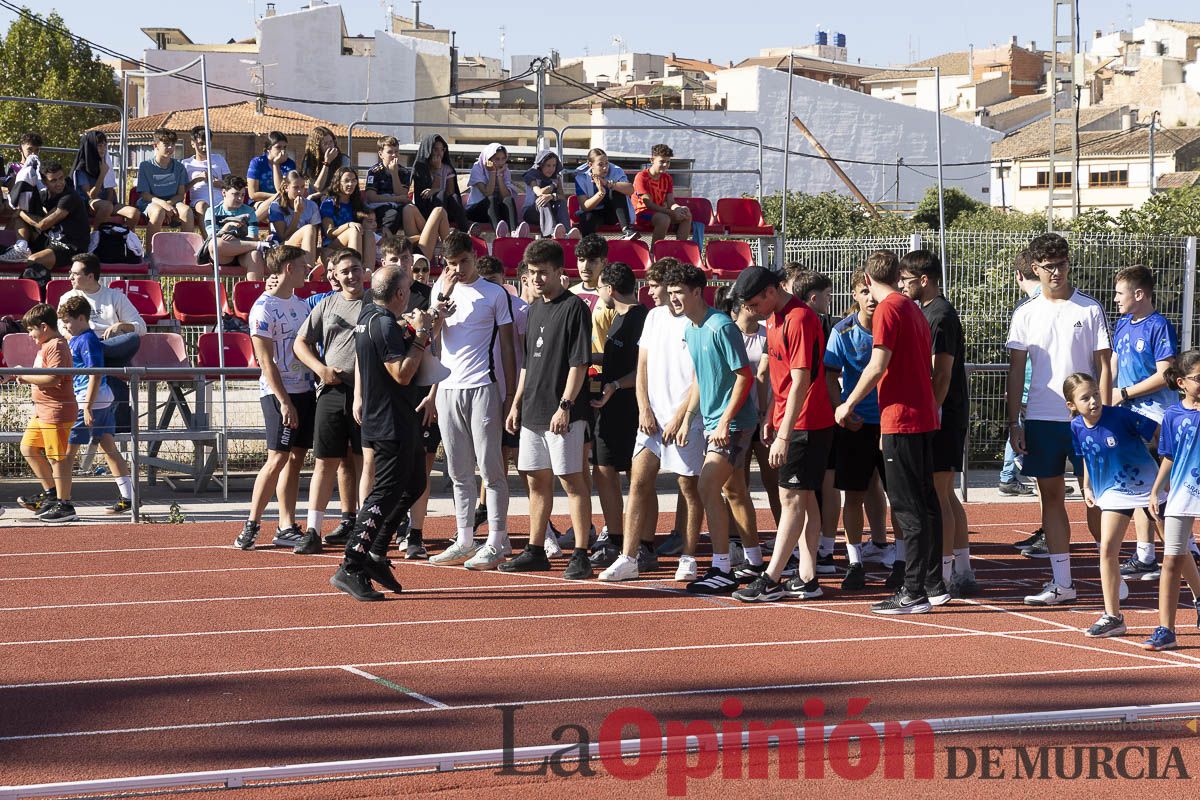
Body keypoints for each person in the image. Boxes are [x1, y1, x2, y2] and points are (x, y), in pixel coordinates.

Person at [835, 250, 946, 614]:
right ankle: (932, 583)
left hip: (902, 418)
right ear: (898, 275)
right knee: (926, 503)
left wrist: (848, 403)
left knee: (908, 507)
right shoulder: (913, 307)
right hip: (921, 415)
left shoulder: (888, 309)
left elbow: (877, 365)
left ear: (867, 280)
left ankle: (913, 591)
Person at [1007, 232, 1110, 605]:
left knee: (1096, 497)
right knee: (1050, 498)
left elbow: (1104, 366)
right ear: (1035, 268)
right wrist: (1013, 423)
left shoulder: (1089, 308)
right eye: (1049, 266)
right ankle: (1062, 583)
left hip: (1087, 420)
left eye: (1062, 264)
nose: (1057, 272)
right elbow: (1016, 370)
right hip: (1041, 419)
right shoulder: (1025, 313)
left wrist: (1104, 413)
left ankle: (1110, 577)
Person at [329, 265, 434, 601]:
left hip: (394, 417)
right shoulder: (384, 323)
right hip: (390, 421)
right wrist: (421, 336)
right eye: (409, 289)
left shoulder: (370, 315)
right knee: (384, 494)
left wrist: (423, 324)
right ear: (400, 293)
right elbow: (402, 373)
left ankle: (375, 552)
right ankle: (351, 565)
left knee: (414, 483)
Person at [731, 267, 835, 602]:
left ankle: (771, 577)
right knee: (804, 498)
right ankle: (807, 577)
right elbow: (781, 379)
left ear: (771, 292)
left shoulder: (799, 318)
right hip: (793, 421)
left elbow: (801, 381)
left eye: (753, 304)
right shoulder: (775, 318)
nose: (751, 311)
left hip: (807, 423)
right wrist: (770, 417)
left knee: (791, 499)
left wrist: (784, 435)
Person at [501, 239, 594, 579]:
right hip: (533, 411)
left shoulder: (575, 308)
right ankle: (535, 549)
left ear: (558, 272)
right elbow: (527, 363)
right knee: (535, 481)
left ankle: (581, 552)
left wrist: (565, 406)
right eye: (531, 273)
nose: (536, 279)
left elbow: (579, 363)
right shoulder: (535, 309)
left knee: (571, 480)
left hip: (562, 413)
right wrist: (516, 403)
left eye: (543, 272)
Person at [425, 231, 517, 570]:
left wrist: (510, 395)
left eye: (463, 261)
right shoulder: (440, 289)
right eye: (451, 264)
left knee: (491, 469)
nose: (458, 269)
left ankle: (497, 540)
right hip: (449, 389)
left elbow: (507, 346)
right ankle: (464, 539)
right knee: (458, 470)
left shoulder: (494, 293)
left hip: (483, 386)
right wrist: (441, 300)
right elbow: (431, 339)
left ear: (474, 257)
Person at [668, 264, 759, 594]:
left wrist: (723, 421)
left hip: (733, 424)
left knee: (707, 487)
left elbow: (744, 376)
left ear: (697, 292)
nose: (672, 298)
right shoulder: (691, 330)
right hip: (713, 423)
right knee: (734, 491)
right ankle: (754, 560)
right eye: (670, 292)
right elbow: (699, 378)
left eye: (679, 292)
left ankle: (722, 568)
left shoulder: (721, 327)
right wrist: (687, 417)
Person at [899, 250, 974, 597]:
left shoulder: (939, 315)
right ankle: (963, 569)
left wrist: (930, 413)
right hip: (942, 414)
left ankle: (941, 576)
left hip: (943, 416)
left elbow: (940, 374)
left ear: (924, 280)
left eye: (906, 280)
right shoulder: (926, 312)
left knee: (939, 495)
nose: (902, 286)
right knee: (946, 495)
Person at [1064, 372, 1158, 636]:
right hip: (1114, 491)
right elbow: (1085, 456)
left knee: (1177, 552)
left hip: (1149, 487)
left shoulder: (1121, 416)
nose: (1093, 401)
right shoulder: (1076, 426)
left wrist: (1166, 474)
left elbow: (1159, 433)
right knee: (1107, 550)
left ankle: (1198, 597)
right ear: (1072, 405)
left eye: (1095, 394)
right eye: (1085, 398)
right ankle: (1113, 616)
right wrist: (1087, 486)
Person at [234, 246, 315, 551]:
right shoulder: (263, 308)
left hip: (305, 389)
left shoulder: (302, 305)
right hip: (278, 392)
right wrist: (284, 401)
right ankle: (251, 524)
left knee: (296, 458)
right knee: (277, 457)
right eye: (302, 265)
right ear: (288, 269)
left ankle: (286, 525)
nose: (307, 270)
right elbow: (265, 361)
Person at [291, 248, 367, 555]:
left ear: (364, 270)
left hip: (367, 394)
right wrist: (320, 369)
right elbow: (300, 342)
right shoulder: (327, 304)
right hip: (332, 392)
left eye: (356, 269)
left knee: (365, 461)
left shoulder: (376, 304)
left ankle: (365, 530)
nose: (351, 276)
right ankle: (313, 530)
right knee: (325, 461)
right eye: (344, 271)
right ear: (334, 275)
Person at [824, 270, 896, 591]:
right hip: (857, 424)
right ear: (854, 295)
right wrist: (842, 408)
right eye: (863, 292)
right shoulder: (842, 331)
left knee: (898, 497)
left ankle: (901, 560)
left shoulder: (892, 325)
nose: (870, 298)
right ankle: (854, 562)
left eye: (873, 291)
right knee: (853, 496)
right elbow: (830, 376)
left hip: (892, 423)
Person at [373, 236, 440, 559]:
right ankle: (379, 533)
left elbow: (438, 346)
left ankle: (414, 532)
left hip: (422, 390)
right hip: (388, 399)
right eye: (394, 259)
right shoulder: (375, 304)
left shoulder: (429, 295)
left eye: (405, 258)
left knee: (420, 468)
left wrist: (434, 394)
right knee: (384, 471)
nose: (401, 264)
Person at [1112, 265, 1179, 581]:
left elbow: (1165, 375)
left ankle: (1180, 552)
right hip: (1127, 415)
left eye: (1120, 293)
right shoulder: (1122, 324)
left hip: (1154, 416)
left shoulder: (1159, 325)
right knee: (1139, 486)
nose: (1115, 299)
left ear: (1139, 294)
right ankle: (1146, 555)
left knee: (1158, 489)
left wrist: (1124, 392)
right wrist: (1105, 398)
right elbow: (1113, 366)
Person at [585, 262, 649, 574]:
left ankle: (645, 544)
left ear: (610, 289)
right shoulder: (617, 318)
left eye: (599, 288)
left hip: (633, 408)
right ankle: (616, 537)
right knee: (603, 468)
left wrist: (615, 385)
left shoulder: (642, 318)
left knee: (639, 477)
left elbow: (646, 369)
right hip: (609, 408)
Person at [57, 296, 134, 514]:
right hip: (97, 400)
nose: (65, 326)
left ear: (82, 318)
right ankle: (129, 497)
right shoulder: (77, 338)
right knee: (109, 448)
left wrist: (87, 407)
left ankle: (62, 502)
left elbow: (95, 374)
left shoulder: (87, 340)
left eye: (68, 321)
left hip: (89, 401)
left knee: (66, 454)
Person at [1147, 350, 1200, 650]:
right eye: (1199, 378)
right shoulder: (1172, 415)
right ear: (1181, 383)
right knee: (1171, 559)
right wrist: (1156, 489)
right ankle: (1166, 628)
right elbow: (1168, 455)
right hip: (1182, 492)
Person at [56, 253, 146, 432]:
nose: (70, 277)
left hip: (109, 347)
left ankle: (98, 358)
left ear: (90, 276)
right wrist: (81, 341)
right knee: (113, 380)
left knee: (132, 338)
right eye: (70, 273)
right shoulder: (68, 297)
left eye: (75, 274)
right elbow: (61, 327)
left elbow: (141, 328)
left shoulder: (115, 297)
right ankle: (97, 357)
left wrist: (122, 325)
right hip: (83, 346)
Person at [792, 268, 839, 575]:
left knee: (822, 484)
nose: (830, 300)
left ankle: (824, 549)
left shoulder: (829, 325)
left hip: (821, 414)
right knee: (803, 492)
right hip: (804, 416)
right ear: (812, 297)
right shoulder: (796, 322)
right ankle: (808, 555)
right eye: (827, 295)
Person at [15, 304, 78, 523]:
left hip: (56, 411)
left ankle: (65, 504)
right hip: (43, 410)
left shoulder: (56, 345)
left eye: (31, 330)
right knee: (28, 447)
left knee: (57, 458)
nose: (30, 335)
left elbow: (53, 378)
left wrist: (24, 376)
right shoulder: (47, 345)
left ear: (43, 327)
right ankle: (52, 494)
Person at [999, 250, 1039, 497]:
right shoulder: (1030, 306)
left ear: (1018, 276)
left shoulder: (1025, 306)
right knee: (1024, 429)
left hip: (1029, 384)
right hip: (1033, 385)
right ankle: (1024, 471)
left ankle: (1010, 475)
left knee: (1020, 428)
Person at [11, 161, 91, 274]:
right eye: (53, 180)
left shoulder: (69, 197)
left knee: (35, 260)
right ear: (45, 182)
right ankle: (21, 247)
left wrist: (20, 212)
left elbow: (42, 225)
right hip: (51, 240)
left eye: (61, 178)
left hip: (71, 246)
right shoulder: (44, 196)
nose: (59, 183)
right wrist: (19, 211)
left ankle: (31, 286)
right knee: (20, 219)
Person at [136, 129, 194, 244]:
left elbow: (180, 194)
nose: (170, 148)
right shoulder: (145, 166)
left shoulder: (179, 167)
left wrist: (168, 204)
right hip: (150, 203)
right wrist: (163, 205)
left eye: (173, 144)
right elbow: (145, 195)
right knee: (158, 212)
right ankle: (150, 252)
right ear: (155, 145)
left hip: (172, 203)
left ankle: (185, 250)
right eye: (166, 144)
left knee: (187, 211)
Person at [202, 176, 265, 280]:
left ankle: (254, 289)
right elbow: (213, 236)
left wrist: (236, 240)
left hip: (243, 254)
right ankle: (261, 245)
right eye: (236, 194)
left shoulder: (249, 211)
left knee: (255, 255)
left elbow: (253, 237)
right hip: (222, 256)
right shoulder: (211, 211)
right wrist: (227, 226)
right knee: (215, 244)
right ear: (224, 193)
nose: (240, 198)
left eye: (242, 195)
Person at [71, 131, 136, 227]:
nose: (103, 149)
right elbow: (91, 195)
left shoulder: (105, 162)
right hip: (87, 204)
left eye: (105, 145)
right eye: (99, 146)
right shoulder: (82, 169)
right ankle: (96, 234)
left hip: (107, 203)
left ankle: (123, 234)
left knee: (134, 213)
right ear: (92, 147)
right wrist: (102, 174)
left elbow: (110, 189)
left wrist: (109, 202)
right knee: (106, 207)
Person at [632, 144, 692, 245]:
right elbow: (648, 204)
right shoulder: (641, 176)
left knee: (686, 214)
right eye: (662, 161)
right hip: (641, 214)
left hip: (661, 212)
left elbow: (671, 202)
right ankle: (654, 252)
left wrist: (678, 209)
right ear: (652, 160)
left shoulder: (667, 178)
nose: (665, 165)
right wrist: (671, 212)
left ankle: (679, 249)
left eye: (668, 162)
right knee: (664, 219)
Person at [573, 147, 638, 240]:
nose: (605, 167)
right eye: (600, 164)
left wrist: (609, 184)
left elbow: (630, 190)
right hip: (594, 213)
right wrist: (601, 193)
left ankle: (627, 230)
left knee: (617, 190)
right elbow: (585, 206)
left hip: (613, 213)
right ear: (590, 165)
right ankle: (589, 245)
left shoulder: (616, 170)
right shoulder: (581, 177)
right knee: (587, 218)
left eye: (606, 163)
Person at [465, 143, 526, 239]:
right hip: (476, 211)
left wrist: (500, 175)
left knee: (509, 199)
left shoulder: (505, 170)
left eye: (503, 159)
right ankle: (499, 235)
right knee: (491, 198)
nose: (500, 162)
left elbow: (506, 195)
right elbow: (487, 193)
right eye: (497, 159)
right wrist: (492, 172)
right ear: (488, 159)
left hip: (494, 212)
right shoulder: (478, 168)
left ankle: (514, 233)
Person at [321, 166, 377, 270]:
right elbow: (329, 233)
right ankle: (355, 270)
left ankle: (368, 272)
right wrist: (348, 225)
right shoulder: (328, 203)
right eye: (346, 181)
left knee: (369, 234)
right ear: (338, 182)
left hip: (356, 239)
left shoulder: (357, 203)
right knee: (353, 231)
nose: (350, 184)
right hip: (333, 244)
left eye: (354, 180)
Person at [411, 133, 467, 231]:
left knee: (449, 196)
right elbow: (423, 196)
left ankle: (465, 230)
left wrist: (436, 188)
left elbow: (450, 192)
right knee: (440, 194)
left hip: (445, 208)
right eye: (435, 149)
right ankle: (441, 229)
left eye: (442, 149)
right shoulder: (420, 169)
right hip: (426, 209)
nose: (439, 153)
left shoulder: (447, 168)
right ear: (428, 150)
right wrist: (437, 172)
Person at [522, 149, 577, 239]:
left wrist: (551, 196)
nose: (551, 169)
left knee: (561, 203)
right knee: (543, 201)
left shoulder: (556, 177)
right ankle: (551, 233)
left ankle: (567, 233)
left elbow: (562, 197)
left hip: (550, 213)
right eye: (548, 165)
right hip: (532, 212)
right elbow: (539, 192)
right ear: (541, 165)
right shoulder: (531, 175)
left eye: (554, 166)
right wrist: (553, 185)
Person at [181, 126, 231, 222]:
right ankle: (208, 232)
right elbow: (182, 189)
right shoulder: (186, 163)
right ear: (192, 143)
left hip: (221, 200)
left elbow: (230, 184)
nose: (204, 147)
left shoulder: (219, 159)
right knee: (201, 206)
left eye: (207, 143)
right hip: (199, 201)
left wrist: (218, 183)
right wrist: (196, 180)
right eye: (201, 143)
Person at [268, 170, 322, 259]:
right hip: (282, 247)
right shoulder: (276, 206)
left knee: (311, 230)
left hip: (304, 246)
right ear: (286, 187)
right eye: (295, 187)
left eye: (302, 187)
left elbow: (314, 237)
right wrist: (297, 214)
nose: (300, 191)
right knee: (308, 228)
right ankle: (309, 266)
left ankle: (309, 264)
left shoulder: (312, 206)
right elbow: (282, 236)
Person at [247, 131, 297, 223]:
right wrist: (277, 196)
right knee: (271, 208)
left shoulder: (289, 164)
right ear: (268, 149)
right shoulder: (257, 163)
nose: (282, 151)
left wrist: (276, 164)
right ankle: (248, 224)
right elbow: (253, 194)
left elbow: (281, 188)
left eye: (284, 147)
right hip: (260, 203)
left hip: (284, 202)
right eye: (278, 147)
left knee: (278, 208)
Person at [301, 126, 351, 198]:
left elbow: (339, 186)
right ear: (317, 147)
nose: (329, 146)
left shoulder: (343, 159)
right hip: (314, 200)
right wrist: (327, 162)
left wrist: (318, 194)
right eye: (325, 143)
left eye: (331, 142)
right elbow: (318, 187)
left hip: (334, 197)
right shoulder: (309, 160)